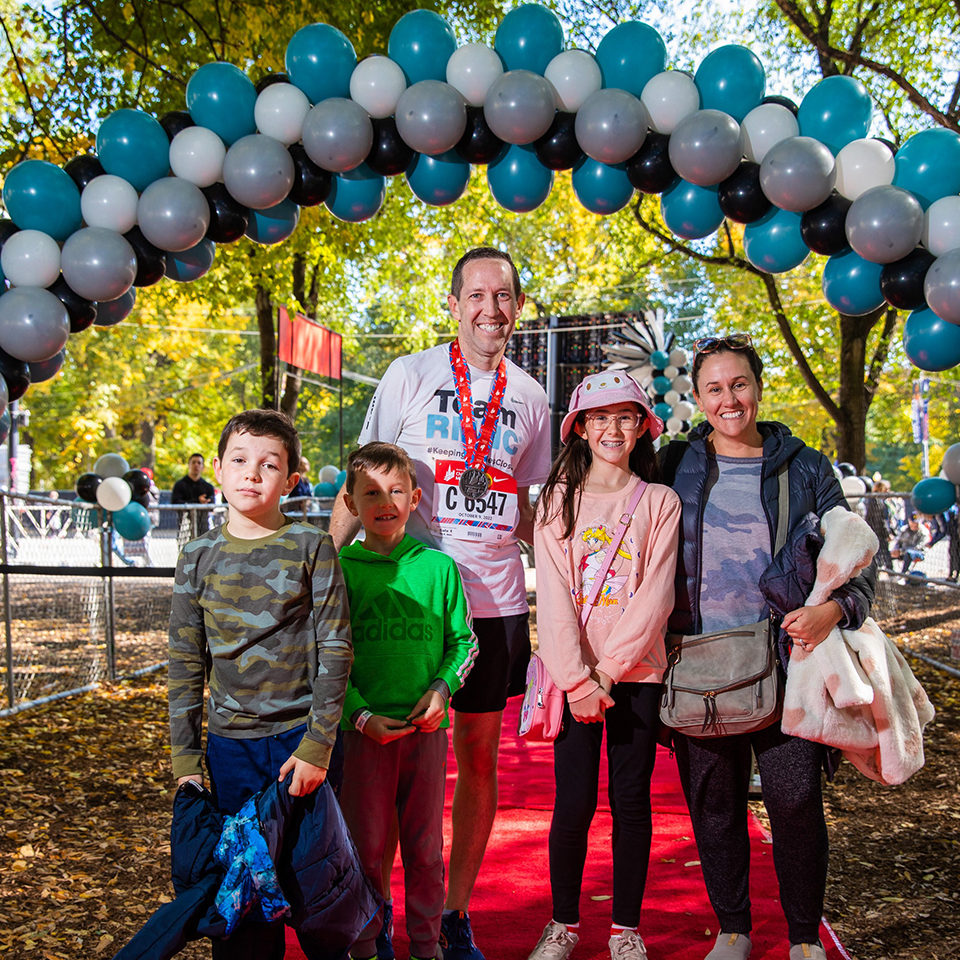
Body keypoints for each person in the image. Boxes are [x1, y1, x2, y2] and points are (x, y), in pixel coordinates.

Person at [328, 247, 551, 960]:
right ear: (452, 303)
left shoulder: (531, 395)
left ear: (518, 306)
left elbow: (528, 506)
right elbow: (361, 482)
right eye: (477, 295)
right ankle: (378, 912)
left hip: (494, 605)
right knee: (391, 765)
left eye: (505, 295)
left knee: (478, 762)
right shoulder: (410, 374)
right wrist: (326, 579)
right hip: (407, 602)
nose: (492, 308)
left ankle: (451, 917)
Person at [658, 334, 875, 960]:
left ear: (758, 386)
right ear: (697, 398)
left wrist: (834, 608)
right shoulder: (673, 465)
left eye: (739, 384)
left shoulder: (805, 466)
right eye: (714, 388)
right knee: (715, 805)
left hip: (790, 663)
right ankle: (733, 931)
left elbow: (858, 555)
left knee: (796, 802)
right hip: (700, 662)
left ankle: (804, 939)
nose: (730, 399)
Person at [167, 408, 353, 960]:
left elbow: (336, 650)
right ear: (218, 470)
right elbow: (184, 664)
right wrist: (184, 762)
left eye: (268, 464)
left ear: (290, 479)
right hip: (231, 751)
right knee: (245, 899)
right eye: (240, 461)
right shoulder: (196, 557)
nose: (252, 473)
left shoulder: (310, 546)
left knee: (318, 894)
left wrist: (318, 745)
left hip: (303, 746)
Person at [529, 373, 681, 960]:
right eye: (599, 417)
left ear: (644, 424)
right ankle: (563, 923)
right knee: (572, 804)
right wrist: (576, 680)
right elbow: (556, 598)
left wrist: (608, 675)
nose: (612, 428)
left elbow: (655, 598)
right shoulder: (556, 500)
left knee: (631, 802)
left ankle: (625, 929)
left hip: (635, 678)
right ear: (580, 428)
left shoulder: (659, 502)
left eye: (625, 416)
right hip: (573, 684)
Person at [337, 441, 478, 960]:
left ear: (415, 497)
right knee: (365, 850)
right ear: (351, 504)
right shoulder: (340, 571)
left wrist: (443, 691)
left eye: (396, 490)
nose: (385, 500)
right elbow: (324, 657)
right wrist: (360, 714)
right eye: (370, 492)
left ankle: (427, 945)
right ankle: (366, 945)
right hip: (363, 736)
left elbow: (465, 642)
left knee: (424, 850)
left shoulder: (438, 568)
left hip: (425, 735)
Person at [171, 452, 216, 541]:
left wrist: (206, 502)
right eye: (193, 462)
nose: (196, 465)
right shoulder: (180, 485)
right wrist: (197, 502)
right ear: (189, 465)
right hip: (185, 526)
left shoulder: (208, 487)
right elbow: (175, 502)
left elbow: (212, 504)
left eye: (199, 463)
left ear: (203, 467)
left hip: (203, 527)